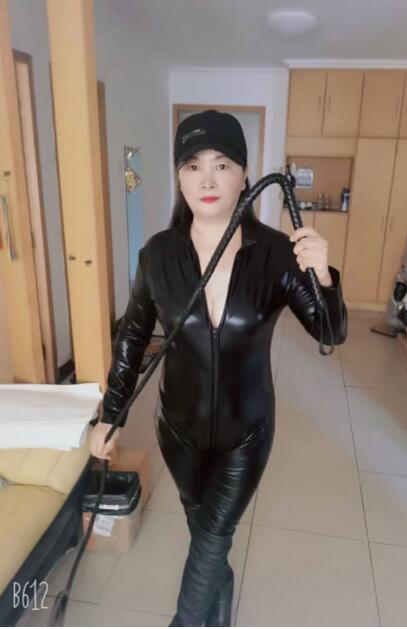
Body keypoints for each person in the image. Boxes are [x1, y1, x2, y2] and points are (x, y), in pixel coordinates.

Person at [90, 109, 348, 626]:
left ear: (245, 175)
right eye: (193, 166)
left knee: (211, 536)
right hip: (177, 432)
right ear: (179, 176)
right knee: (208, 536)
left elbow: (330, 331)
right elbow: (132, 339)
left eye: (222, 164)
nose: (207, 180)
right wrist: (110, 416)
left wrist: (323, 275)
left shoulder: (276, 254)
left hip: (245, 434)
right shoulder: (157, 256)